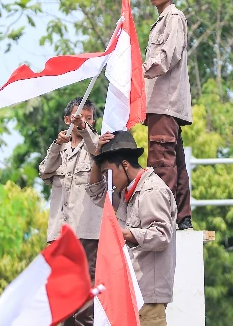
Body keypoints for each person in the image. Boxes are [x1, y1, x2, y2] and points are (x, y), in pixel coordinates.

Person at [87, 130, 177, 326]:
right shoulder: (125, 194)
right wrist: (97, 158)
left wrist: (124, 234)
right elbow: (95, 192)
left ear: (125, 166)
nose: (107, 179)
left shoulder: (152, 190)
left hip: (148, 296)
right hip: (130, 292)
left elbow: (162, 236)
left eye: (108, 172)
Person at [38, 97, 101, 326]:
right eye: (77, 118)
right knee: (61, 292)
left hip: (85, 232)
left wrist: (85, 130)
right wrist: (56, 144)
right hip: (60, 233)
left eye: (88, 118)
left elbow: (99, 153)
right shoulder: (59, 148)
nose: (83, 122)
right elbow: (45, 171)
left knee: (85, 295)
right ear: (67, 119)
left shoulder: (95, 145)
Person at [142, 0, 193, 230]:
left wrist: (138, 72)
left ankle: (161, 219)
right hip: (162, 104)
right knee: (175, 162)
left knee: (161, 162)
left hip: (165, 102)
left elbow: (166, 56)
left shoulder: (173, 17)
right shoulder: (163, 18)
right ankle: (182, 218)